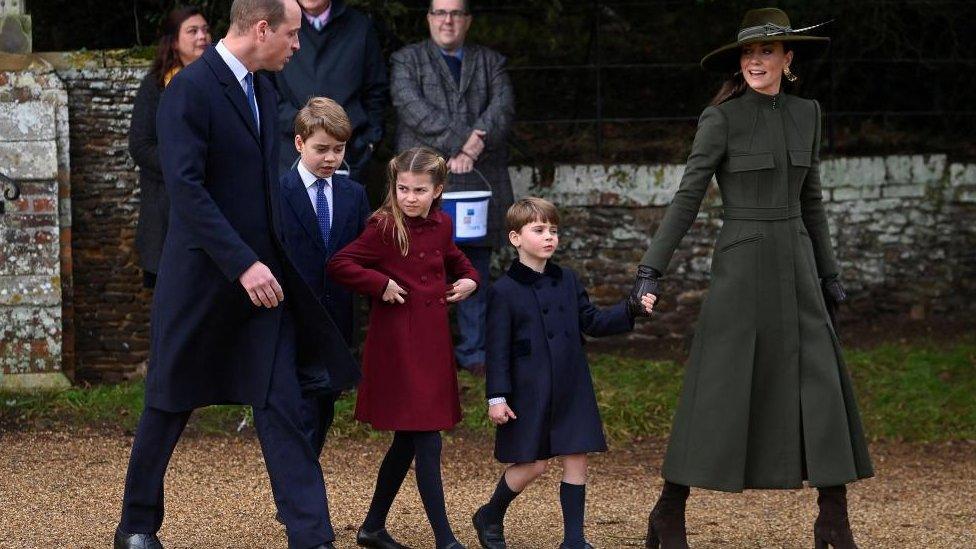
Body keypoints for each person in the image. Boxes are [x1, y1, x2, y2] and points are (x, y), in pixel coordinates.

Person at [113, 1, 359, 549]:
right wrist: (241, 263)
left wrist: (269, 259)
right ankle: (135, 527)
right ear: (262, 28)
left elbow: (261, 188)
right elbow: (187, 190)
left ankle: (311, 535)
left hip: (261, 285)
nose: (298, 46)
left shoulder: (264, 89)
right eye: (292, 35)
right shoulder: (189, 91)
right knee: (168, 402)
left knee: (283, 405)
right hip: (199, 281)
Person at [626, 8, 874, 549]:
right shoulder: (721, 118)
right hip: (741, 267)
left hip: (799, 266)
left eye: (767, 52)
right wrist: (652, 268)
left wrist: (829, 273)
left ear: (789, 58)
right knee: (717, 386)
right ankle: (669, 510)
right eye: (748, 53)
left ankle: (834, 517)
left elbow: (811, 199)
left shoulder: (808, 113)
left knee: (822, 387)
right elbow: (688, 195)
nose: (756, 61)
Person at [473, 197, 655, 549]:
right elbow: (496, 350)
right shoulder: (503, 291)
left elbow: (592, 321)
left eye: (553, 230)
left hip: (571, 384)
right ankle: (490, 515)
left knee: (577, 456)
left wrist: (630, 309)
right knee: (534, 465)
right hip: (529, 389)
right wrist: (497, 396)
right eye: (539, 230)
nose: (549, 237)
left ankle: (574, 540)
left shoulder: (567, 280)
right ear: (515, 238)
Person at [327, 147, 479, 549]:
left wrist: (470, 279)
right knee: (426, 438)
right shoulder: (382, 226)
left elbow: (456, 259)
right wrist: (380, 285)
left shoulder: (443, 224)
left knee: (409, 440)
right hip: (398, 346)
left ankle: (372, 528)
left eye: (420, 190)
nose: (410, 198)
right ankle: (445, 539)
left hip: (432, 343)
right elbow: (340, 263)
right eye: (403, 189)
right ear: (393, 187)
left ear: (438, 190)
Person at [390, 0, 515, 376]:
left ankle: (473, 351)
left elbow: (504, 107)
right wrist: (467, 141)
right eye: (440, 13)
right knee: (421, 268)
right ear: (428, 18)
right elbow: (411, 107)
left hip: (478, 180)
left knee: (474, 266)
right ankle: (427, 352)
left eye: (456, 13)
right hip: (424, 182)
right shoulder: (406, 60)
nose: (448, 20)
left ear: (468, 20)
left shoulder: (491, 61)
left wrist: (477, 144)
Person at [278, 96, 370, 495]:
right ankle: (301, 497)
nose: (331, 157)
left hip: (337, 323)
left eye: (338, 149)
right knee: (300, 414)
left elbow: (366, 253)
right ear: (299, 144)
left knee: (324, 410)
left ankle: (299, 491)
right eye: (321, 149)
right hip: (292, 321)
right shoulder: (277, 192)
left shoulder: (354, 195)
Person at [129, 7, 211, 289]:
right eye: (193, 31)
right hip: (165, 211)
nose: (202, 36)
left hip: (211, 206)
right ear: (174, 41)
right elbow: (140, 146)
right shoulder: (154, 87)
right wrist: (184, 169)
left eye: (205, 30)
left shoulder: (217, 82)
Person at [273, 0, 389, 179]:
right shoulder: (276, 24)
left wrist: (368, 142)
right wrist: (306, 124)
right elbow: (265, 91)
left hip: (350, 156)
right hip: (288, 156)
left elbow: (376, 91)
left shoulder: (360, 27)